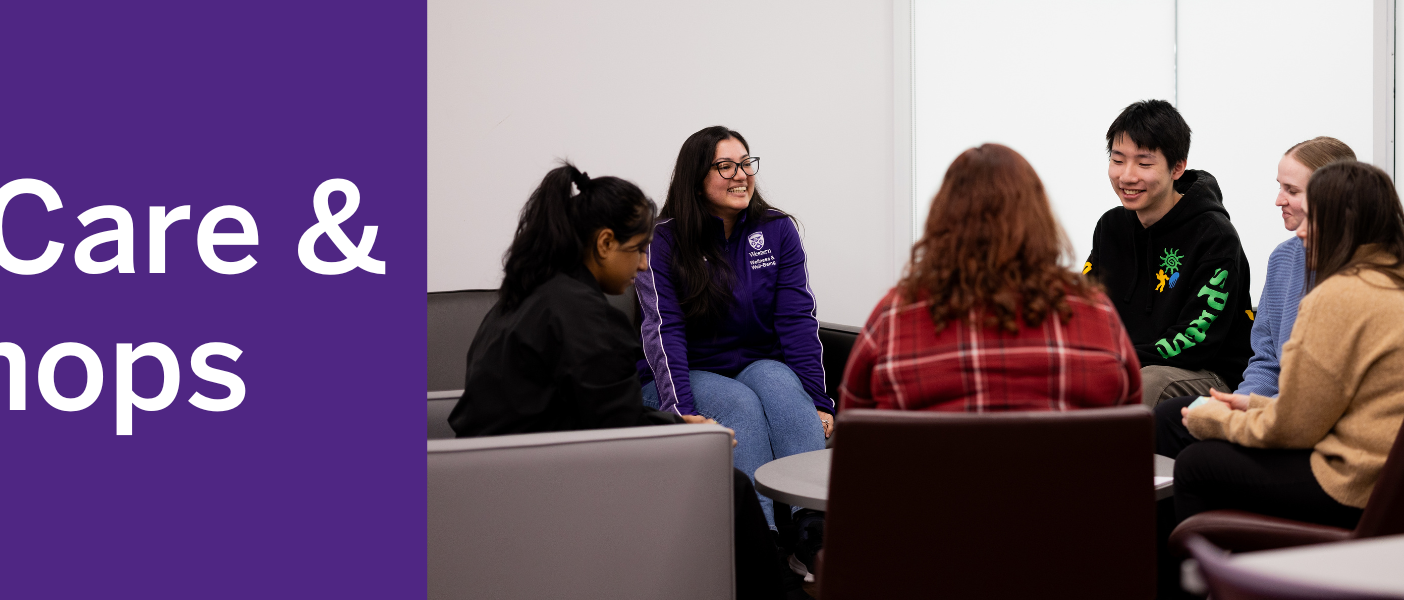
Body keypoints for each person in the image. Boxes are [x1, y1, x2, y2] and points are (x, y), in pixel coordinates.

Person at [449, 163, 789, 599]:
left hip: (491, 482)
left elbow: (587, 411)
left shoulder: (526, 297)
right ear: (605, 243)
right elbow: (615, 437)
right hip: (542, 485)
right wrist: (686, 439)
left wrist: (675, 426)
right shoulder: (588, 318)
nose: (645, 264)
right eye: (639, 249)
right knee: (731, 488)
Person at [1158, 161, 1404, 529]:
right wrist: (1251, 403)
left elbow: (1297, 429)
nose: (1301, 234)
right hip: (1401, 483)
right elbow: (1323, 407)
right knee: (1176, 416)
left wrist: (1218, 420)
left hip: (1351, 484)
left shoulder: (1338, 295)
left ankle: (1205, 580)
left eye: (1312, 220)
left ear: (1346, 225)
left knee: (1196, 459)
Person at [841, 143, 1142, 411]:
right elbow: (1129, 430)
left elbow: (854, 437)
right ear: (1039, 219)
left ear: (942, 219)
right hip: (1066, 475)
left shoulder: (894, 317)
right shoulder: (1097, 314)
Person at [636, 125, 831, 530]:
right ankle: (761, 540)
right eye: (725, 166)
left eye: (745, 163)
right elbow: (663, 332)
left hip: (755, 362)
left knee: (782, 389)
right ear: (696, 177)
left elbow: (796, 320)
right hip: (681, 375)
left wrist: (819, 402)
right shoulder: (662, 240)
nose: (741, 174)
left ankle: (814, 530)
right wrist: (680, 414)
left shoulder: (777, 229)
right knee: (739, 403)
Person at [1153, 137, 1357, 433]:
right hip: (1266, 409)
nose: (1279, 200)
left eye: (1292, 191)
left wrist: (1247, 418)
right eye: (1280, 187)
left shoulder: (1362, 275)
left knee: (1196, 458)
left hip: (1302, 421)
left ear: (1331, 196)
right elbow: (1265, 359)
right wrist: (1237, 405)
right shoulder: (1282, 259)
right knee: (1171, 415)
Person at [1083, 100, 1254, 406]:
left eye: (1144, 164)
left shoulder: (1215, 236)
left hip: (1206, 375)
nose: (1127, 176)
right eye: (1118, 160)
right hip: (1129, 362)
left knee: (1146, 383)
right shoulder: (1110, 226)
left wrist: (1119, 360)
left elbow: (1196, 340)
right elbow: (1088, 306)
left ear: (1177, 167)